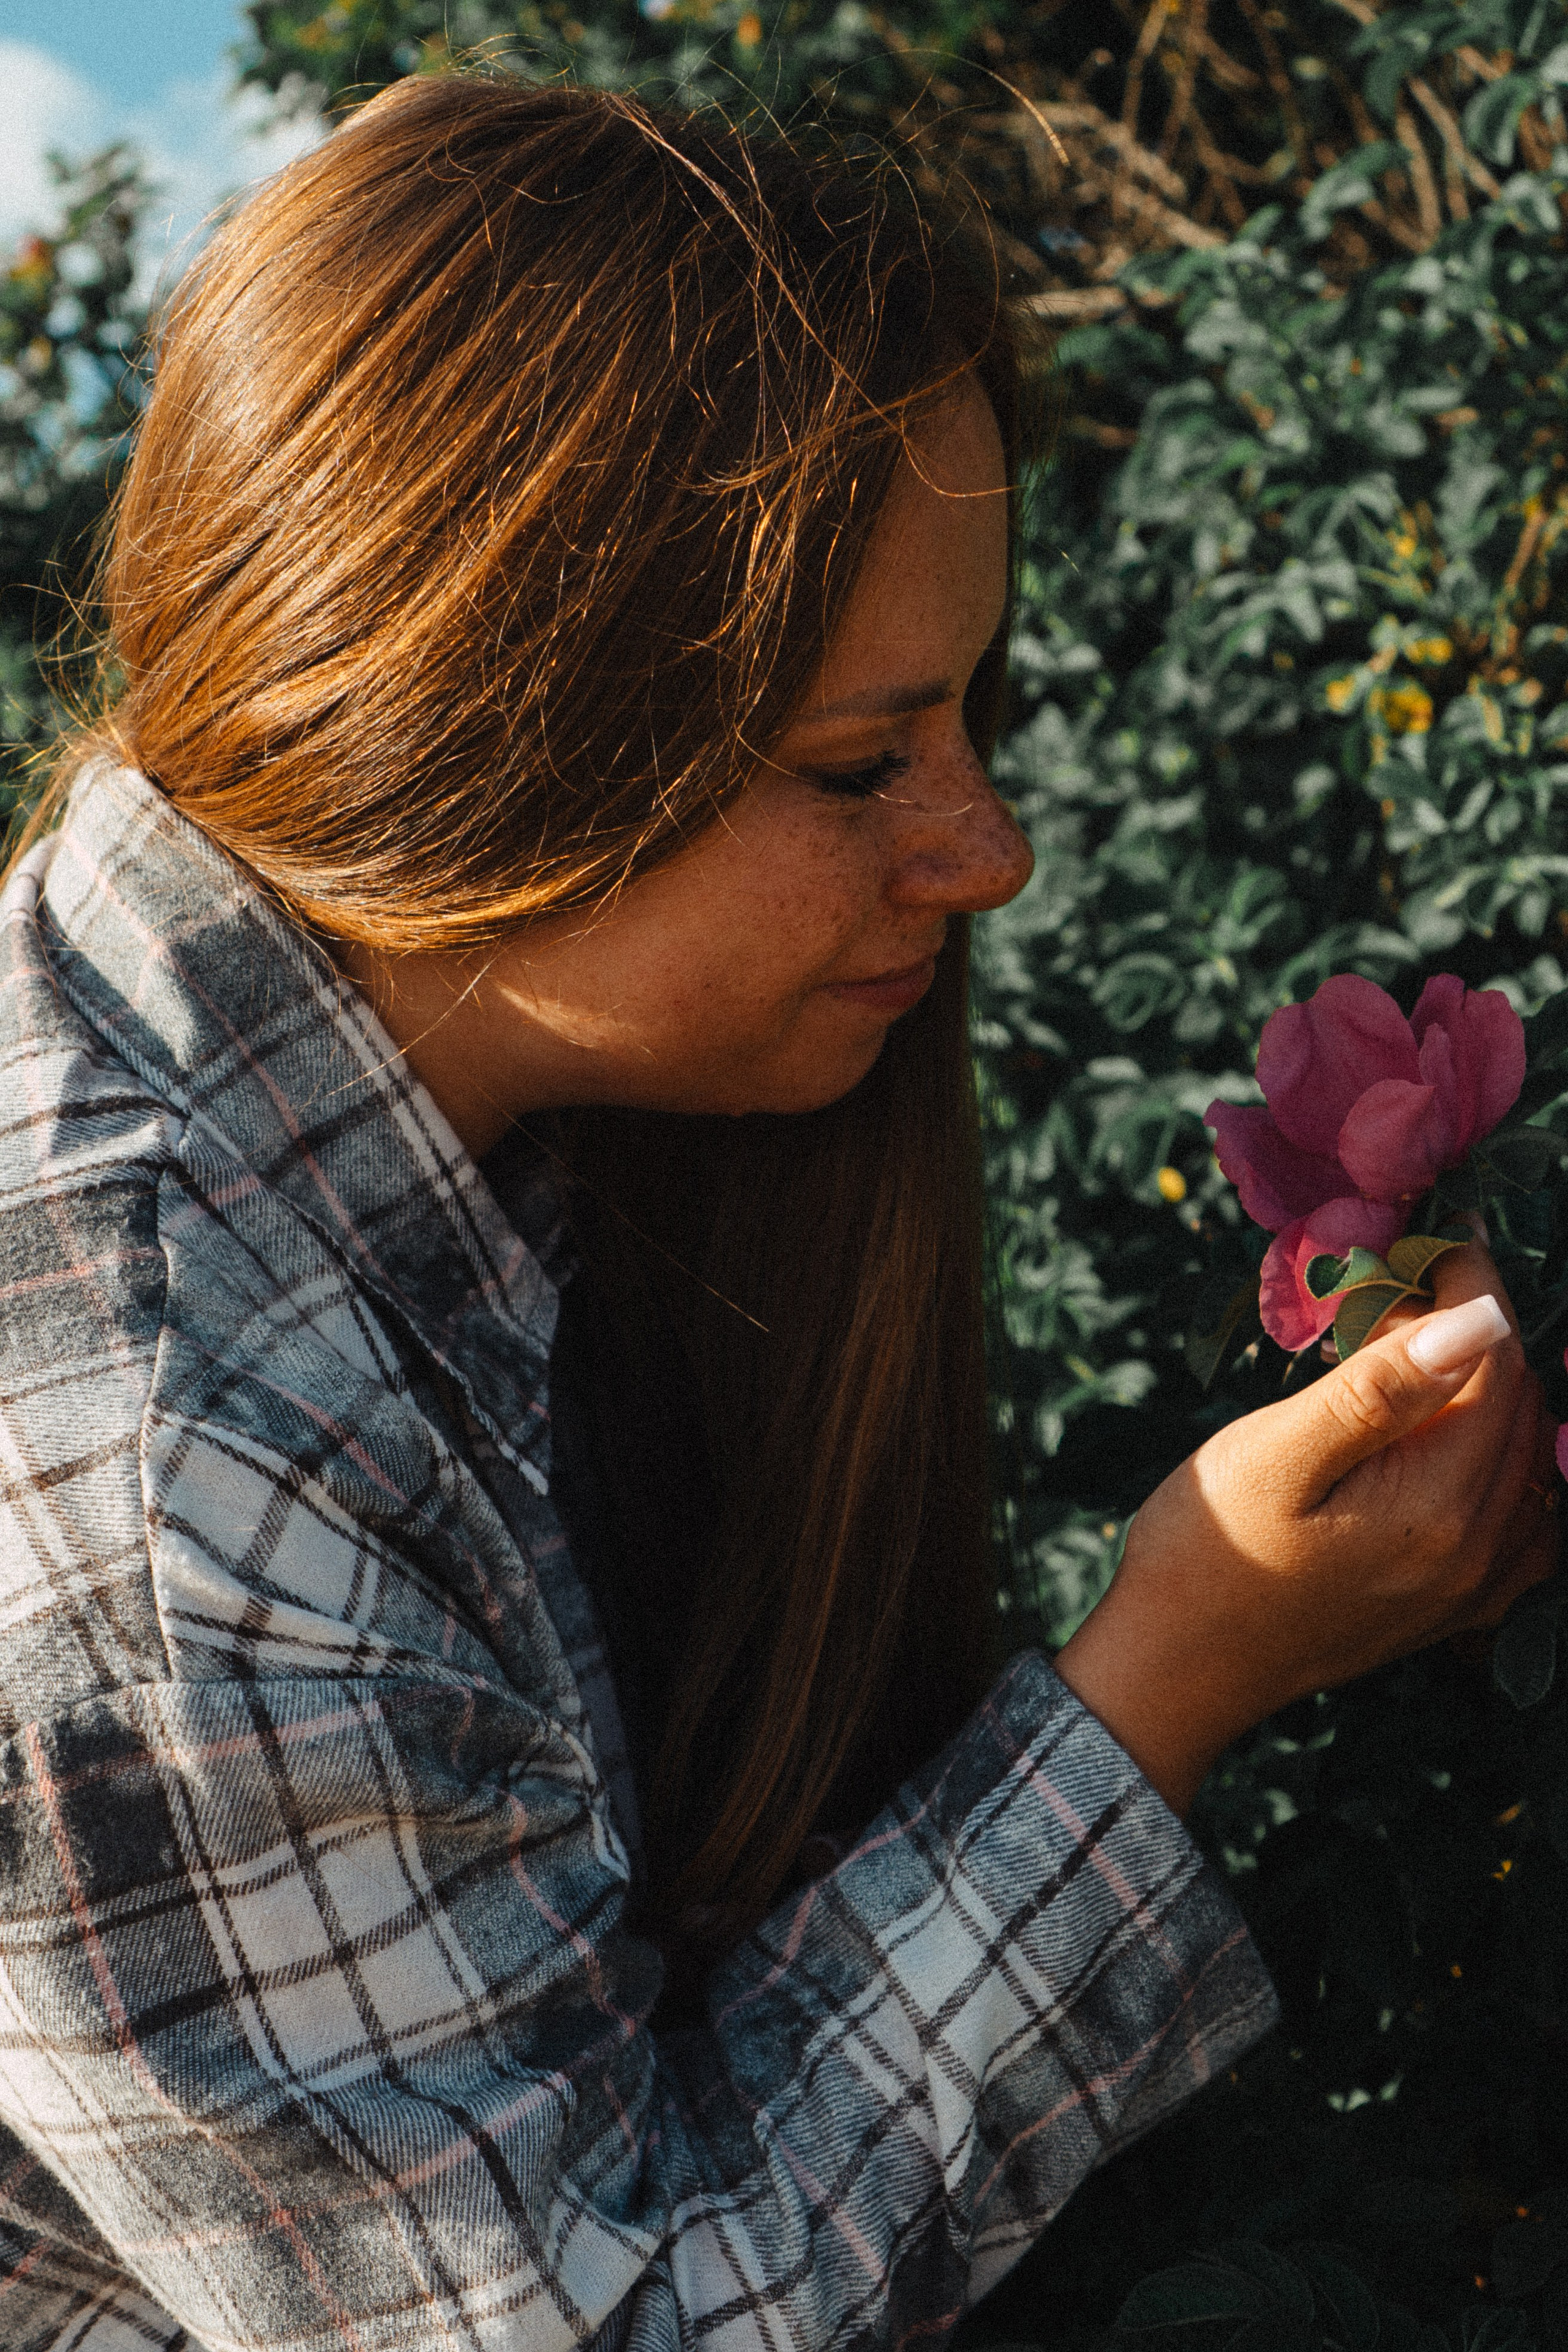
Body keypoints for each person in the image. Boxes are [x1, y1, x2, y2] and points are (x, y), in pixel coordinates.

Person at [0, 70, 1551, 2352]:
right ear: (467, 734)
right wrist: (1174, 1671)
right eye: (859, 766)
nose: (990, 848)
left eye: (973, 713)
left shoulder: (402, 1095)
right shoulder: (155, 1474)